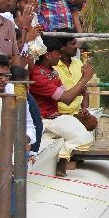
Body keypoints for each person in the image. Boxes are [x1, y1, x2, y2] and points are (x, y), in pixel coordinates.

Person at [28, 36, 95, 176]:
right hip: (43, 120)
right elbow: (67, 97)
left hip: (57, 117)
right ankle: (63, 158)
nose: (60, 57)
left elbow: (68, 98)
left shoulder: (52, 72)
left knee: (89, 127)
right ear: (47, 55)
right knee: (84, 138)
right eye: (57, 53)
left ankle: (63, 156)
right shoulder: (37, 74)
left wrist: (83, 104)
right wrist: (84, 79)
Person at [0, 55, 37, 155]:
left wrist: (25, 138)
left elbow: (28, 125)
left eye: (7, 75)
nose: (4, 79)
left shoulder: (15, 91)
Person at [52, 30, 97, 131]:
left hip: (76, 114)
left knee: (92, 122)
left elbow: (84, 93)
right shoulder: (53, 66)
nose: (77, 46)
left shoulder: (78, 63)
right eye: (73, 43)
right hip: (58, 115)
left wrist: (84, 109)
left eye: (76, 42)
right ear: (62, 47)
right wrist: (85, 78)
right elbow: (65, 99)